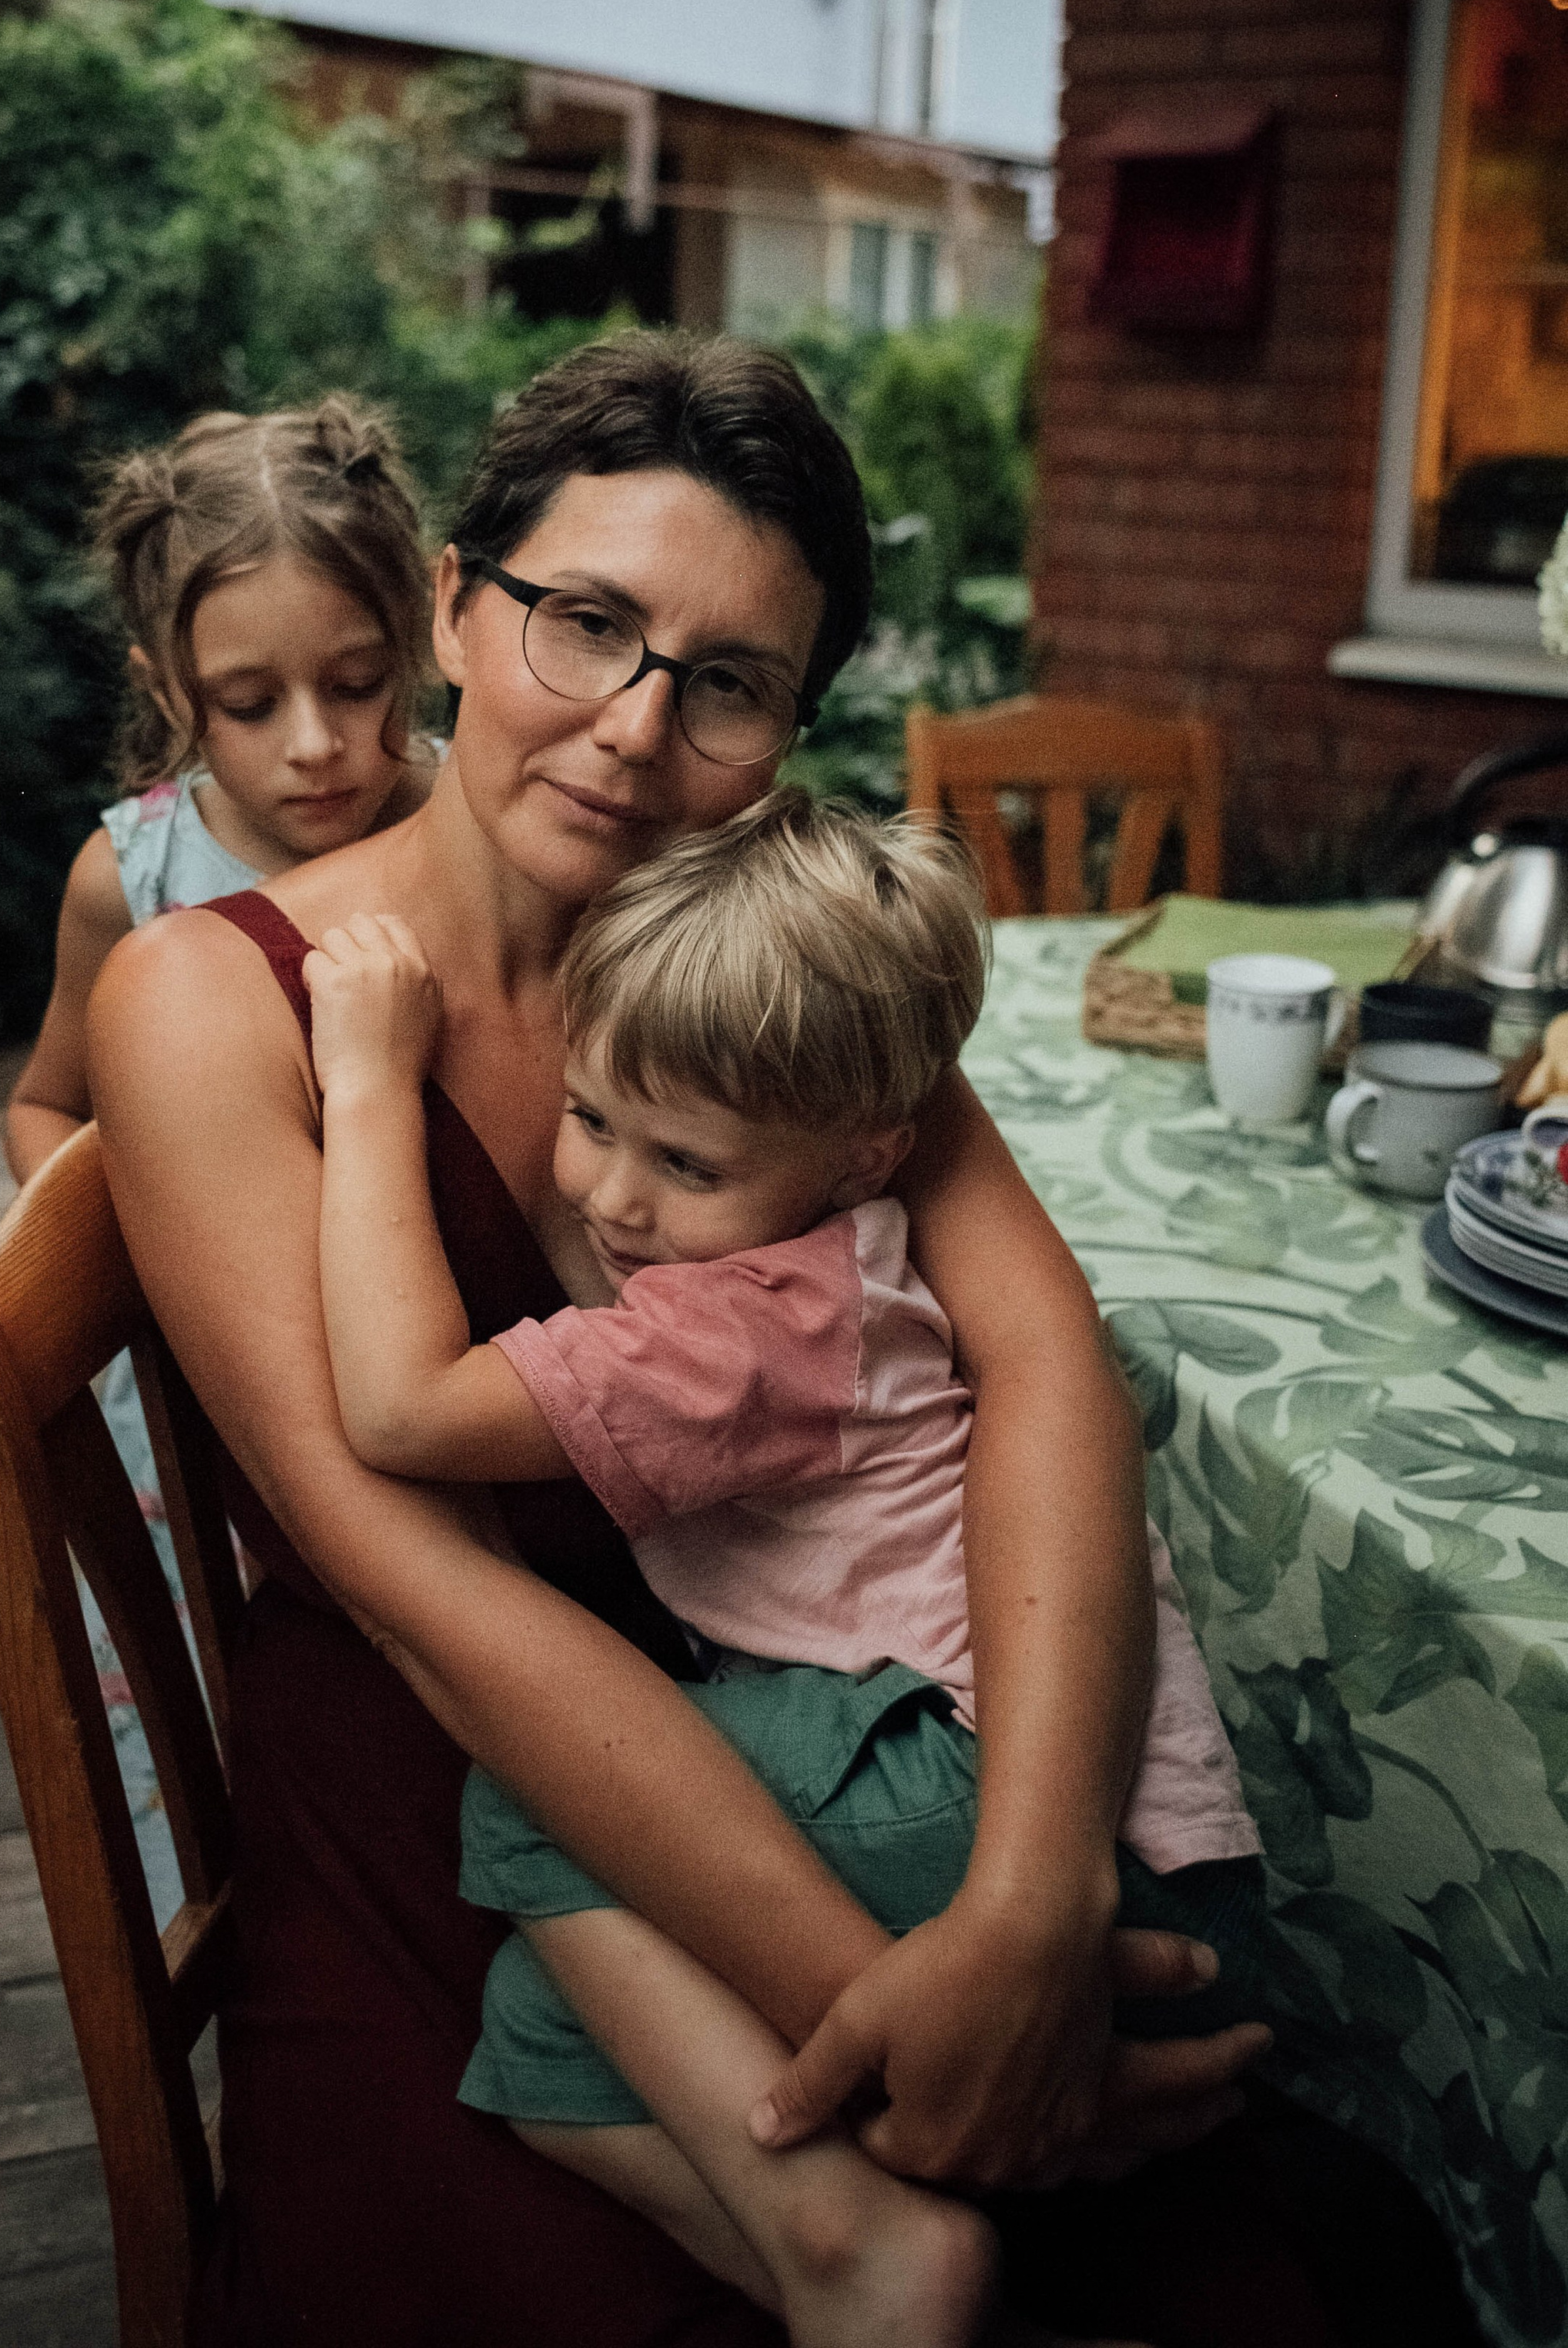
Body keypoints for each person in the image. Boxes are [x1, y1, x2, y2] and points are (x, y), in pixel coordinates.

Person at [86, 332, 1298, 2348]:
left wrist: (1027, 1906)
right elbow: (415, 1589)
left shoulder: (763, 956)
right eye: (586, 622)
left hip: (814, 1708)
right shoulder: (212, 1002)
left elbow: (1041, 1365)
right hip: (462, 1808)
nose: (638, 731)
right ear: (460, 603)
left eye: (727, 681)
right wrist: (894, 2022)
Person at [303, 787, 1265, 2348]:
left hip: (970, 1776)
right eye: (591, 1116)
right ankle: (866, 2254)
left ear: (861, 1153)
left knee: (525, 1791)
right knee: (540, 2037)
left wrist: (361, 1079)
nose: (612, 1193)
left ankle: (887, 2260)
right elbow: (610, 1233)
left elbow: (400, 1403)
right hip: (1034, 1779)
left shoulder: (747, 1323)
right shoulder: (814, 1237)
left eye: (682, 1160)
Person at [4, 394, 440, 1184]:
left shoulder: (469, 820)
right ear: (167, 691)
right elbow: (47, 1107)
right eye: (249, 704)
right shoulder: (131, 877)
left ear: (416, 641)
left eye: (357, 683)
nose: (314, 746)